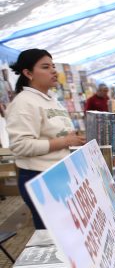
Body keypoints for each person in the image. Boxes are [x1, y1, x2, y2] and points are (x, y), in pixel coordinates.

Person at [6, 49, 85, 229]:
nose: (53, 71)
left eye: (53, 66)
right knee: (54, 236)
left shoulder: (51, 100)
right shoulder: (24, 102)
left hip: (58, 175)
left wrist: (75, 140)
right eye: (45, 67)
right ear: (28, 73)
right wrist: (65, 142)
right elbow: (20, 145)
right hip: (40, 178)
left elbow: (59, 136)